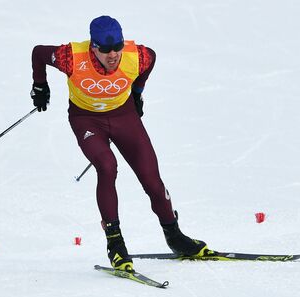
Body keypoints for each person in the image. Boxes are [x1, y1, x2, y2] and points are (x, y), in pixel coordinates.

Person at [30, 15, 211, 272]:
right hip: (86, 119)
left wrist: (137, 94)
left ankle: (175, 236)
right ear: (93, 46)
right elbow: (38, 53)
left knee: (152, 180)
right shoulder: (70, 57)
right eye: (105, 49)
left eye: (117, 46)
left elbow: (151, 60)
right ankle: (115, 243)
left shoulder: (138, 56)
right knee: (107, 166)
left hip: (123, 116)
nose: (113, 54)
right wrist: (40, 85)